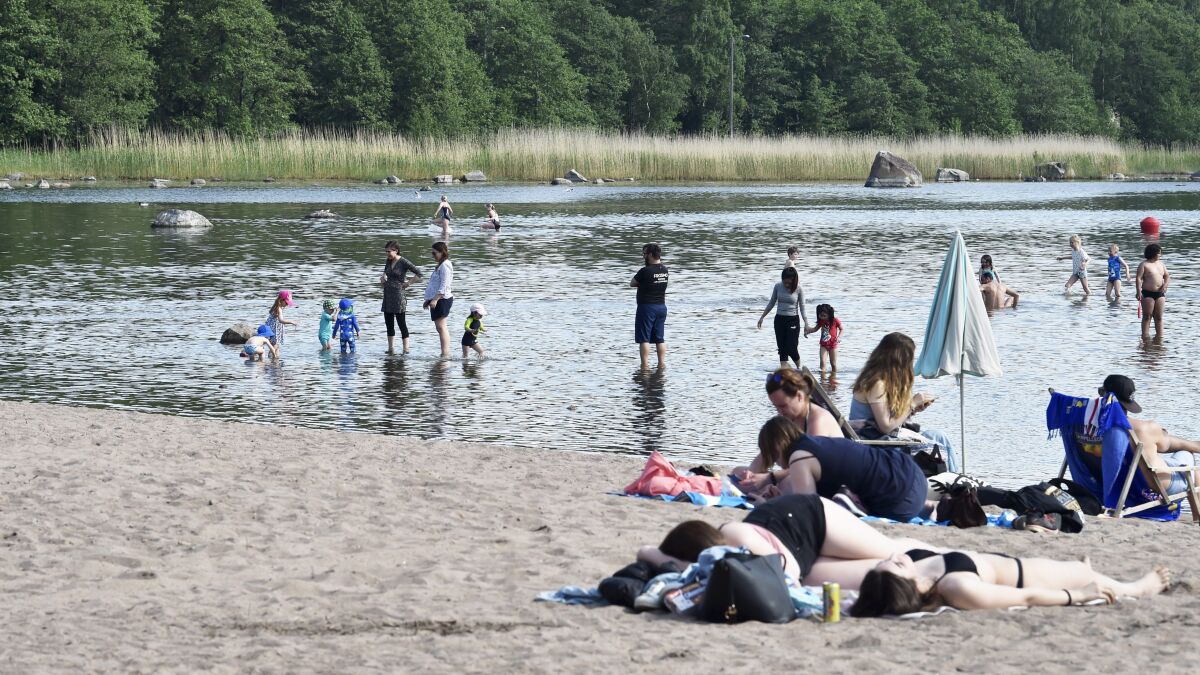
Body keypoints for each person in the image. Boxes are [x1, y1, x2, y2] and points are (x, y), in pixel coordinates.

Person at [636, 493, 937, 590]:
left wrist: (683, 566)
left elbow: (786, 577)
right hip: (802, 556)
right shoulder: (722, 558)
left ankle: (945, 553)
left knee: (892, 551)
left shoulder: (735, 537)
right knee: (879, 573)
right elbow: (645, 551)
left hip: (812, 519)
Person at [851, 548, 1169, 616]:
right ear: (907, 585)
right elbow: (1026, 598)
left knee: (1079, 568)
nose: (896, 556)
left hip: (1010, 562)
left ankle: (1081, 569)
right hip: (1032, 575)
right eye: (896, 564)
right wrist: (1078, 595)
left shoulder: (919, 575)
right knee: (1109, 584)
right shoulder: (956, 588)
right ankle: (1141, 588)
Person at [753, 416, 929, 521]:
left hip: (900, 500)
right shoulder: (817, 443)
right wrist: (783, 498)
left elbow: (807, 512)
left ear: (777, 446)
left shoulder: (799, 457)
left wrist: (768, 506)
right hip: (912, 472)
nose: (777, 463)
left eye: (772, 456)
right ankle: (930, 507)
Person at [850, 332, 958, 472]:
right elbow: (886, 426)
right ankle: (950, 480)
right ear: (900, 360)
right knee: (936, 446)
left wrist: (912, 410)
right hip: (874, 445)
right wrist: (911, 404)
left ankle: (955, 477)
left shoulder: (880, 381)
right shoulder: (876, 384)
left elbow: (888, 421)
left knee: (939, 436)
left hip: (882, 439)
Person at [732, 368, 844, 495]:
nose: (780, 412)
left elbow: (808, 464)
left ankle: (769, 493)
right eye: (776, 407)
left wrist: (770, 477)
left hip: (830, 481)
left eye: (783, 406)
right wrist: (750, 473)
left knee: (786, 483)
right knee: (738, 472)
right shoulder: (791, 417)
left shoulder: (817, 419)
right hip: (801, 473)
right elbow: (767, 453)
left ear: (799, 396)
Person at [1100, 374, 1199, 496]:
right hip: (1150, 487)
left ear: (1104, 395)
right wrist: (1159, 434)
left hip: (1108, 485)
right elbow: (1166, 445)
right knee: (1188, 457)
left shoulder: (1086, 426)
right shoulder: (1144, 428)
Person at [756, 267, 809, 369]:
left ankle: (799, 368)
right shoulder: (778, 286)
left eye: (789, 283)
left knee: (791, 347)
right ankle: (784, 370)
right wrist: (762, 317)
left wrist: (806, 323)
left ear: (794, 280)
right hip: (779, 320)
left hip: (793, 320)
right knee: (782, 348)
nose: (786, 285)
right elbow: (771, 302)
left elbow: (802, 308)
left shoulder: (799, 289)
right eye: (785, 282)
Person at [631, 243, 668, 370]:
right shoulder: (664, 270)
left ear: (651, 254)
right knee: (659, 338)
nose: (643, 256)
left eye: (645, 254)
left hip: (647, 308)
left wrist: (643, 284)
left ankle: (644, 366)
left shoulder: (645, 271)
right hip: (661, 307)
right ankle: (661, 364)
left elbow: (632, 283)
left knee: (644, 339)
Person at [381, 240, 422, 354]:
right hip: (387, 295)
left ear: (396, 251)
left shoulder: (403, 261)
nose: (387, 254)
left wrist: (408, 283)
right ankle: (391, 349)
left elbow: (419, 273)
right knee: (389, 324)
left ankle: (406, 349)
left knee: (401, 323)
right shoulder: (388, 260)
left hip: (398, 296)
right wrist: (382, 278)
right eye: (386, 251)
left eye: (389, 251)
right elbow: (385, 273)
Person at [423, 241, 454, 358]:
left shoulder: (445, 265)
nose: (433, 256)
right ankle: (444, 352)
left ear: (442, 252)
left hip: (442, 299)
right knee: (439, 327)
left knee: (441, 327)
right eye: (432, 253)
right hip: (436, 299)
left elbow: (444, 285)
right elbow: (434, 284)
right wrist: (428, 300)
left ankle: (445, 353)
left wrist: (435, 299)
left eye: (434, 253)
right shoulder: (440, 265)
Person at [1136, 243, 1168, 339]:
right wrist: (1138, 291)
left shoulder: (1161, 264)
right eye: (1159, 253)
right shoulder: (1144, 264)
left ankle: (1160, 337)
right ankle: (1145, 337)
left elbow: (1167, 276)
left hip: (1160, 293)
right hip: (1147, 293)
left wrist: (1165, 285)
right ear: (1153, 253)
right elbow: (1138, 278)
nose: (1160, 255)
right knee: (1147, 316)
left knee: (1159, 317)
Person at [805, 303, 842, 374]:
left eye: (824, 316)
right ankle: (823, 377)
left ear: (829, 314)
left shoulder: (835, 320)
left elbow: (842, 329)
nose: (822, 317)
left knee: (833, 364)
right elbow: (815, 329)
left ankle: (833, 377)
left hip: (833, 345)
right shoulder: (821, 321)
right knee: (822, 363)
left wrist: (839, 337)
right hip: (823, 345)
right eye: (820, 315)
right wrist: (807, 331)